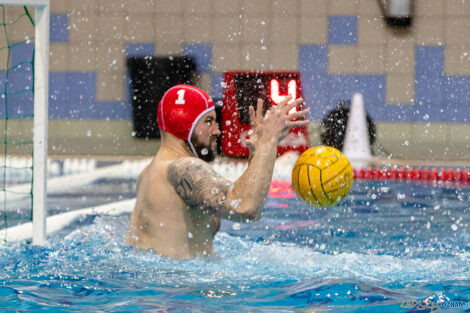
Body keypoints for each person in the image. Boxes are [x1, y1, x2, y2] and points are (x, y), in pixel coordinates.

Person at [126, 84, 310, 259]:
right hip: (182, 287)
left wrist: (256, 154)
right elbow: (247, 208)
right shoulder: (183, 168)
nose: (217, 131)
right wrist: (269, 141)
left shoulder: (149, 173)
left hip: (166, 284)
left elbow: (237, 196)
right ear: (183, 124)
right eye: (208, 122)